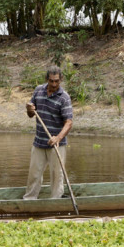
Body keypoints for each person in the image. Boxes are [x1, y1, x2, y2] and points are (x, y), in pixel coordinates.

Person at [24, 66, 73, 200]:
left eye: (56, 81)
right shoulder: (38, 90)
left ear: (61, 80)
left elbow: (68, 122)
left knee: (57, 176)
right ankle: (29, 200)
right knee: (34, 174)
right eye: (51, 81)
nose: (54, 84)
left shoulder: (64, 98)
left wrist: (58, 138)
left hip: (57, 145)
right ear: (47, 79)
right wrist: (29, 108)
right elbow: (30, 114)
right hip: (39, 142)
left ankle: (56, 201)